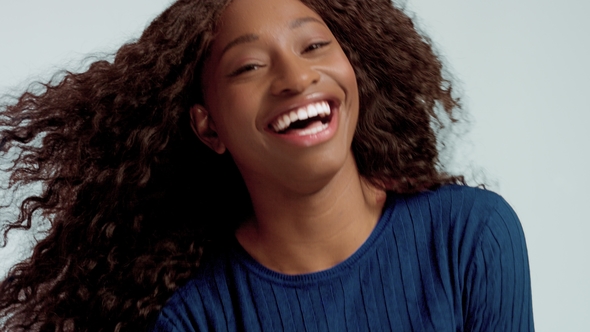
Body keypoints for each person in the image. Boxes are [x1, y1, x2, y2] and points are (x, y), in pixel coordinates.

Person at [0, 0, 533, 331]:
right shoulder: (195, 318)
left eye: (315, 45)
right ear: (209, 127)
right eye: (249, 65)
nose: (296, 78)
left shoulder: (470, 236)